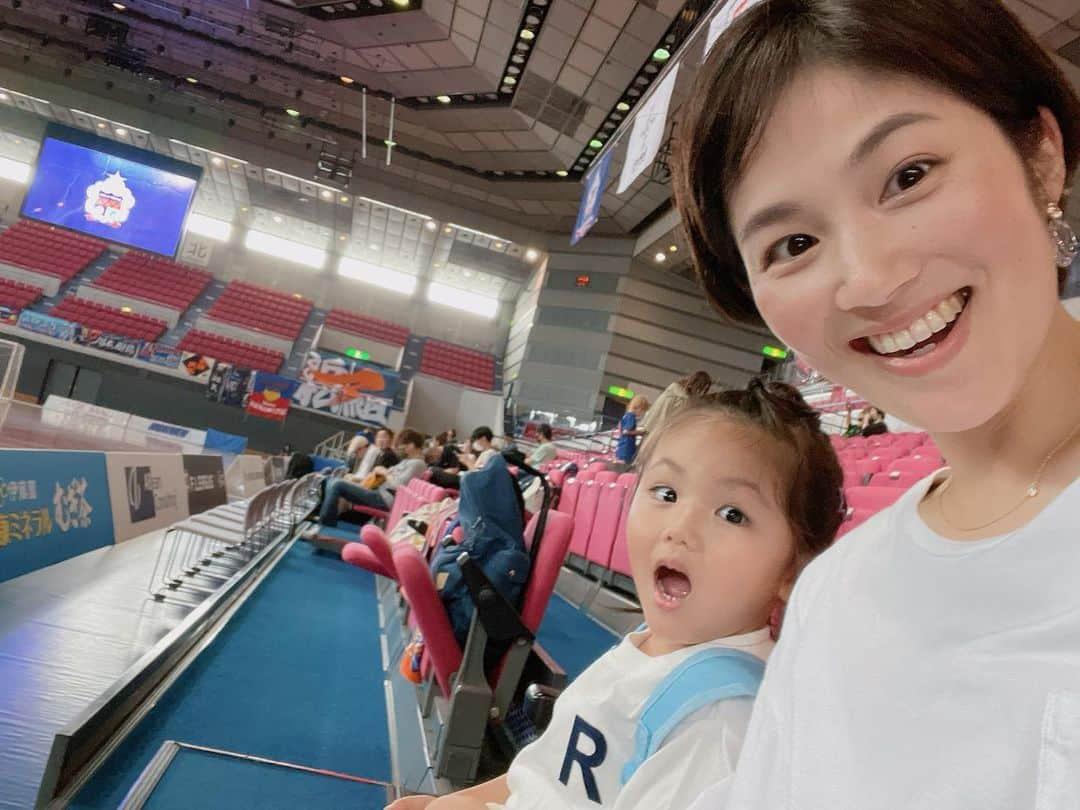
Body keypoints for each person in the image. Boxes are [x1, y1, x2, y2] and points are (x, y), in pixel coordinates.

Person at [672, 1, 1080, 806]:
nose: (870, 279)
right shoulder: (834, 597)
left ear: (1040, 156)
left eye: (908, 175)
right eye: (793, 245)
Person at [385, 382, 843, 810]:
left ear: (795, 567)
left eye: (732, 514)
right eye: (666, 492)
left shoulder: (718, 722)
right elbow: (538, 774)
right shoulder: (654, 645)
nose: (679, 528)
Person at [304, 428, 426, 533]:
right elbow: (390, 475)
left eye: (402, 446)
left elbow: (398, 485)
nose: (399, 449)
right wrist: (381, 471)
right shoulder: (408, 461)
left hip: (384, 498)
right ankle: (318, 515)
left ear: (411, 445)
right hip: (379, 492)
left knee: (337, 484)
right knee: (331, 481)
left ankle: (325, 525)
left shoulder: (418, 464)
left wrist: (384, 472)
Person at [640, 371, 712, 434]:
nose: (700, 391)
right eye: (700, 388)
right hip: (658, 429)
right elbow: (665, 413)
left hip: (656, 427)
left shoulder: (676, 390)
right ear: (696, 383)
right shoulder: (681, 395)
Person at [615, 396, 649, 465]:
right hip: (627, 448)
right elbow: (626, 431)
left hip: (622, 447)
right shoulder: (631, 417)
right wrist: (640, 432)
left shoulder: (626, 415)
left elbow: (621, 429)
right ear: (639, 408)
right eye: (642, 411)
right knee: (625, 467)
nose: (641, 414)